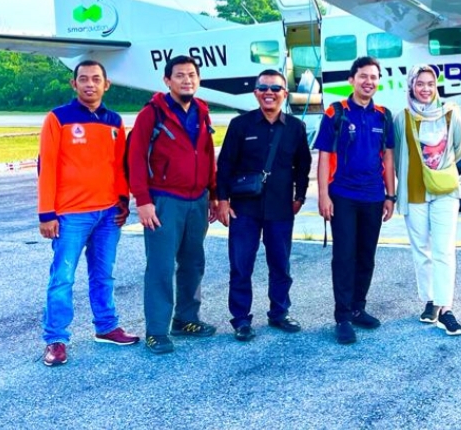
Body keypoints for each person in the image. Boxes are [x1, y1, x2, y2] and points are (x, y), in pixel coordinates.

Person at [38, 59, 139, 367]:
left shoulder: (114, 121)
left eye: (96, 79)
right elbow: (47, 166)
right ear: (74, 84)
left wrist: (123, 200)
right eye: (83, 79)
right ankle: (56, 339)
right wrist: (46, 214)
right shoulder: (58, 118)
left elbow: (119, 165)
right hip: (71, 215)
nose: (90, 84)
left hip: (108, 214)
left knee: (103, 274)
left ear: (106, 84)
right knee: (63, 278)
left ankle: (106, 326)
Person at [129, 55, 219, 355]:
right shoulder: (151, 114)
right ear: (167, 80)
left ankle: (186, 319)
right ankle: (156, 331)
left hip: (197, 200)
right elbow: (135, 159)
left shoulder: (202, 112)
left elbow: (207, 154)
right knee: (161, 266)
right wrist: (143, 201)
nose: (186, 80)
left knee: (193, 262)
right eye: (179, 75)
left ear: (198, 79)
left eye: (191, 75)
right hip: (164, 201)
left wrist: (214, 193)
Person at [215, 69, 312, 341]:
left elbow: (303, 166)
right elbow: (225, 166)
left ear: (285, 94)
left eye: (276, 88)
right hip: (244, 209)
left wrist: (300, 197)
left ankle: (279, 312)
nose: (270, 92)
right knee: (241, 266)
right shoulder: (240, 125)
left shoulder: (295, 127)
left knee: (280, 265)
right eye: (264, 88)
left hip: (280, 208)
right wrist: (222, 200)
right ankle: (241, 320)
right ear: (256, 93)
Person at [315, 56, 396, 345]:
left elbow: (388, 157)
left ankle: (358, 308)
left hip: (373, 196)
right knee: (344, 256)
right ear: (352, 80)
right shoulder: (336, 112)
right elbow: (325, 156)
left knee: (366, 256)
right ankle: (343, 317)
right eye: (363, 76)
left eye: (373, 77)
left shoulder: (383, 116)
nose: (368, 82)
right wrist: (323, 195)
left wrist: (390, 195)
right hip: (343, 196)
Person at [393, 65, 461, 336]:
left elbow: (459, 148)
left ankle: (446, 308)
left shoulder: (450, 113)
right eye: (420, 83)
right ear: (411, 86)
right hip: (414, 191)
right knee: (421, 250)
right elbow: (398, 153)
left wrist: (438, 168)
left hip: (444, 190)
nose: (425, 89)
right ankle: (430, 300)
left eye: (430, 84)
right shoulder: (402, 118)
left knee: (443, 249)